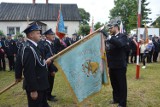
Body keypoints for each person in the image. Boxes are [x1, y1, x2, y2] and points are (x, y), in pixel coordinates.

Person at [15, 23, 51, 107]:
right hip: (36, 86)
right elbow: (29, 70)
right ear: (31, 35)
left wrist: (18, 75)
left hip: (41, 84)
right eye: (38, 33)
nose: (40, 35)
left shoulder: (33, 46)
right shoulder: (29, 49)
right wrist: (33, 90)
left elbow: (19, 62)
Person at [106, 22, 128, 107]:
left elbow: (119, 44)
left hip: (120, 65)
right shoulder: (111, 38)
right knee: (114, 84)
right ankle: (116, 99)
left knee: (121, 85)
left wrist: (109, 37)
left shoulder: (123, 36)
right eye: (108, 29)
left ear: (116, 27)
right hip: (112, 65)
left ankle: (122, 103)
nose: (109, 30)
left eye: (111, 28)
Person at [39, 29, 58, 101]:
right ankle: (48, 96)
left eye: (53, 34)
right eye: (51, 34)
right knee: (49, 82)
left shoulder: (50, 44)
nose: (53, 36)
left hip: (51, 66)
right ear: (47, 36)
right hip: (48, 68)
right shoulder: (45, 45)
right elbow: (48, 59)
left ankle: (49, 94)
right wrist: (52, 70)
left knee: (51, 81)